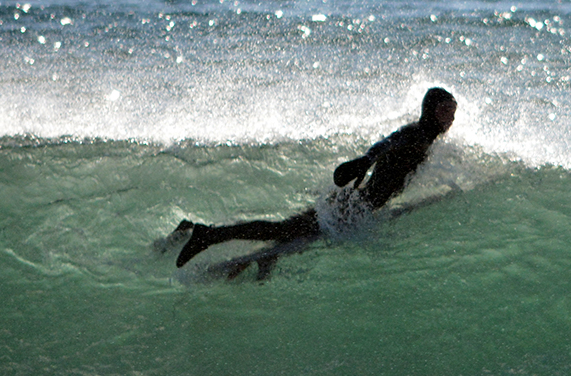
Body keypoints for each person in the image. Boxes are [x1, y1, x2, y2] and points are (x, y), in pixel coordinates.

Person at [172, 87, 457, 275]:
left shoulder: (427, 140)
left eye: (453, 111)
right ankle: (209, 235)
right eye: (445, 110)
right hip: (349, 207)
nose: (451, 118)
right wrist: (366, 159)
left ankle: (202, 236)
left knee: (289, 234)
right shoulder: (416, 134)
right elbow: (388, 142)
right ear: (430, 109)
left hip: (353, 206)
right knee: (283, 231)